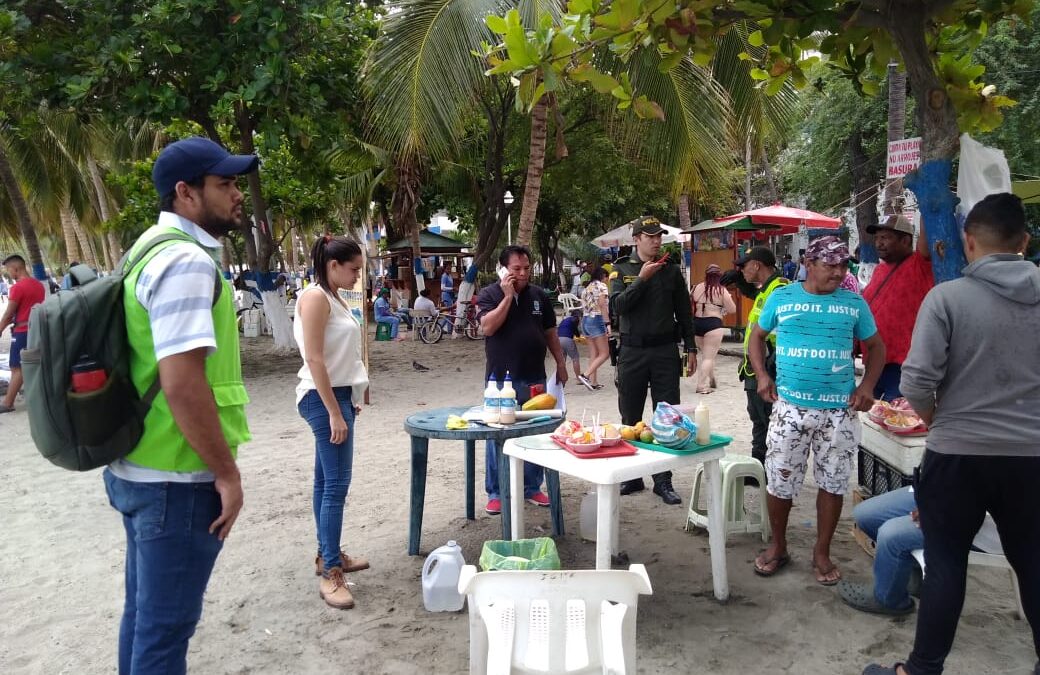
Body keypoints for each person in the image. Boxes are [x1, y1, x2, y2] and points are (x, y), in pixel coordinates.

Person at [863, 193, 1040, 675]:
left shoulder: (948, 298)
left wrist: (941, 420)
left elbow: (918, 381)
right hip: (1031, 457)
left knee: (945, 565)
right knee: (1032, 563)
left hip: (957, 454)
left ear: (966, 241)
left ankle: (921, 670)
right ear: (1024, 241)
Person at [105, 136, 254, 672]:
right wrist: (227, 474)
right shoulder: (186, 263)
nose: (237, 195)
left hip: (140, 465)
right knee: (165, 634)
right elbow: (182, 383)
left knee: (145, 618)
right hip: (177, 478)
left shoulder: (145, 248)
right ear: (185, 193)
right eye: (226, 184)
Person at [748, 236, 885, 584]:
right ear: (809, 264)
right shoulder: (782, 297)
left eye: (843, 265)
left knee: (833, 482)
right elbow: (756, 336)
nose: (839, 272)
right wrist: (763, 375)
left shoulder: (854, 304)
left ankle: (821, 552)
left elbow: (876, 348)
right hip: (789, 408)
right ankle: (778, 546)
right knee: (780, 480)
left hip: (838, 413)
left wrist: (867, 387)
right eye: (830, 265)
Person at [295, 235, 372, 610]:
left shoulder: (335, 298)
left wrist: (359, 388)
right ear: (333, 265)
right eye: (354, 268)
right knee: (336, 485)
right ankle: (331, 572)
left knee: (326, 481)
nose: (358, 275)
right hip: (323, 397)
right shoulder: (315, 298)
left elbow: (340, 353)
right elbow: (314, 359)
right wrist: (334, 411)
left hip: (338, 395)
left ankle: (329, 555)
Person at [610, 216, 696, 505]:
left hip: (665, 352)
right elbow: (618, 307)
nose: (656, 241)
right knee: (630, 414)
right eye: (650, 236)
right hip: (632, 352)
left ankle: (663, 480)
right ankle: (632, 476)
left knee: (668, 417)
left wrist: (692, 348)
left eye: (659, 236)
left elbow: (684, 312)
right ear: (636, 239)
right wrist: (642, 280)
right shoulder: (620, 269)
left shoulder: (671, 272)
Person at [477, 244, 568, 515]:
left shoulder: (538, 295)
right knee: (497, 436)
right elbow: (488, 326)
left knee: (537, 433)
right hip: (500, 382)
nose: (523, 273)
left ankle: (532, 487)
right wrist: (507, 297)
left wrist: (561, 364)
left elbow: (551, 332)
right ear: (504, 269)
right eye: (516, 268)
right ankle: (496, 491)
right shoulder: (489, 294)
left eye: (526, 268)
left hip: (535, 377)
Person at [840, 486, 1005, 617]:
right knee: (866, 514)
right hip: (942, 490)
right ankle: (914, 574)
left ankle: (889, 599)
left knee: (891, 535)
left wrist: (937, 507)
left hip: (975, 521)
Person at [722, 246, 788, 467]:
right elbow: (755, 294)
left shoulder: (779, 290)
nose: (742, 270)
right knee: (759, 419)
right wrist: (740, 281)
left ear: (757, 265)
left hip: (770, 367)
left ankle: (770, 469)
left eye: (744, 266)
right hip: (757, 365)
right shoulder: (769, 289)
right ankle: (758, 466)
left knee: (768, 419)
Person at [862, 214, 933, 401]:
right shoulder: (879, 270)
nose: (878, 243)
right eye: (876, 238)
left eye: (885, 237)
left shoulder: (919, 265)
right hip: (875, 363)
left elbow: (927, 239)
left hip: (903, 366)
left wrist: (925, 202)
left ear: (905, 240)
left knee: (896, 418)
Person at [0, 254, 46, 413]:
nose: (8, 273)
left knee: (16, 368)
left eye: (8, 270)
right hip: (37, 330)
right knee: (33, 365)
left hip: (21, 332)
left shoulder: (18, 288)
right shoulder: (38, 285)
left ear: (16, 268)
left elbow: (8, 315)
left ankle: (7, 403)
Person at [691, 263, 735, 395]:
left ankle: (711, 378)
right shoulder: (721, 290)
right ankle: (701, 385)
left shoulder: (697, 287)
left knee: (705, 354)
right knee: (708, 357)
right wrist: (722, 309)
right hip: (713, 324)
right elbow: (732, 309)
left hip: (697, 323)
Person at [578, 267, 611, 390]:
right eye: (607, 277)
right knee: (604, 353)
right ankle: (585, 375)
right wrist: (607, 324)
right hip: (596, 319)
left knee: (594, 353)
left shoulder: (587, 288)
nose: (607, 280)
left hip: (585, 320)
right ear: (603, 276)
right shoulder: (602, 286)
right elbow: (602, 305)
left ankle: (593, 382)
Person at [556, 309, 583, 383]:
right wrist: (578, 335)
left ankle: (559, 377)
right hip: (567, 339)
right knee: (575, 358)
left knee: (562, 360)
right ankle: (578, 378)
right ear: (579, 316)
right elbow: (575, 329)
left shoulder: (565, 320)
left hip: (558, 339)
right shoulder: (575, 319)